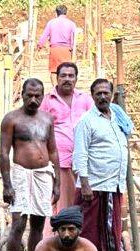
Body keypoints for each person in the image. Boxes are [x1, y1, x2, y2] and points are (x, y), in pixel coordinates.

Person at [0, 78, 61, 251]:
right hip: (20, 173)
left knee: (38, 222)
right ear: (22, 95)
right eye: (30, 95)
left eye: (38, 96)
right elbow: (3, 153)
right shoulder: (12, 119)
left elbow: (53, 151)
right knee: (18, 222)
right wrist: (7, 184)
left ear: (43, 96)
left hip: (43, 174)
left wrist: (57, 183)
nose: (33, 100)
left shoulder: (47, 119)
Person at [72, 78, 133, 251]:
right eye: (98, 93)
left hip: (114, 183)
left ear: (112, 94)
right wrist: (85, 183)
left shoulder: (117, 118)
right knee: (90, 228)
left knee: (111, 227)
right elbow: (80, 154)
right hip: (95, 183)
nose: (102, 96)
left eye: (106, 92)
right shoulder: (87, 121)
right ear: (92, 96)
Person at [40, 62, 94, 237]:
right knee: (59, 201)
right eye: (63, 75)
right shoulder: (48, 100)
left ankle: (80, 237)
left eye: (71, 76)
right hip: (58, 160)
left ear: (76, 78)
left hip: (82, 160)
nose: (67, 79)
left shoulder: (85, 99)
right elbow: (39, 128)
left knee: (81, 200)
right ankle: (53, 240)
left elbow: (95, 122)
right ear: (57, 78)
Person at [37, 5, 77, 86]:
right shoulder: (72, 24)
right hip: (66, 50)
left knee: (54, 71)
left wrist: (38, 48)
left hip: (55, 50)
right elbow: (73, 41)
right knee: (67, 71)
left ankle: (55, 89)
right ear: (66, 13)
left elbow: (44, 36)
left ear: (56, 13)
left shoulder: (51, 23)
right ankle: (65, 88)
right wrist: (73, 54)